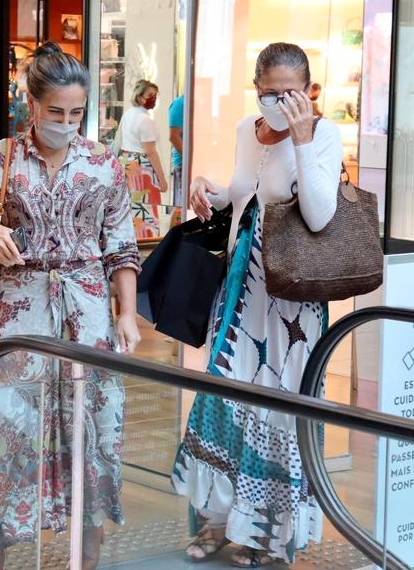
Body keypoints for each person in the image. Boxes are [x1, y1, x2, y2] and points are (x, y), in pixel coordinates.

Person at [0, 41, 141, 570]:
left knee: (94, 425)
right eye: (55, 111)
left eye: (76, 112)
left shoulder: (104, 164)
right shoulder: (0, 158)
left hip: (88, 309)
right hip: (21, 309)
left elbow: (121, 245)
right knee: (11, 428)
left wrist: (125, 313)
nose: (66, 121)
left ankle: (87, 557)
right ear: (31, 105)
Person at [171, 42, 343, 567]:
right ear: (256, 90)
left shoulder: (324, 133)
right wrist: (212, 190)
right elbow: (246, 195)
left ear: (309, 91)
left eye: (289, 93)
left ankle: (267, 537)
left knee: (275, 409)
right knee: (224, 396)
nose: (278, 103)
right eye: (269, 93)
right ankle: (220, 522)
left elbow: (318, 215)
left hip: (290, 302)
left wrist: (303, 137)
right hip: (240, 289)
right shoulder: (248, 129)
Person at [113, 79, 169, 211]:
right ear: (139, 96)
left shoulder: (128, 114)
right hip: (142, 168)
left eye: (155, 95)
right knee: (145, 208)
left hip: (126, 164)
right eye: (150, 95)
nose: (154, 99)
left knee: (129, 208)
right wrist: (162, 180)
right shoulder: (145, 120)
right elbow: (151, 152)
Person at [168, 94, 184, 207]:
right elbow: (173, 137)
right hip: (183, 166)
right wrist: (191, 161)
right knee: (182, 208)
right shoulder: (180, 104)